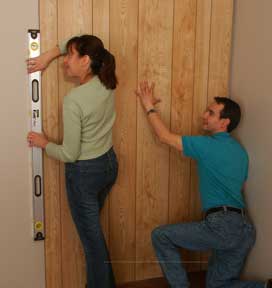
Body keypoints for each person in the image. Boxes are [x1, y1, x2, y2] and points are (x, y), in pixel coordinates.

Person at [135, 81, 270, 288]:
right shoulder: (240, 152)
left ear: (224, 123)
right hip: (244, 230)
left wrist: (148, 105)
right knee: (218, 286)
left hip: (222, 226)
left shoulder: (207, 145)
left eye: (211, 113)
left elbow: (164, 137)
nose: (203, 115)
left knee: (160, 236)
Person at [27, 35, 118, 288]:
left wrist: (44, 143)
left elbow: (70, 154)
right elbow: (82, 35)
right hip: (109, 166)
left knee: (92, 245)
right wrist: (50, 55)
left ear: (86, 60)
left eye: (70, 56)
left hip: (85, 175)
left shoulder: (74, 100)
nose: (65, 61)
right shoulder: (107, 81)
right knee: (94, 238)